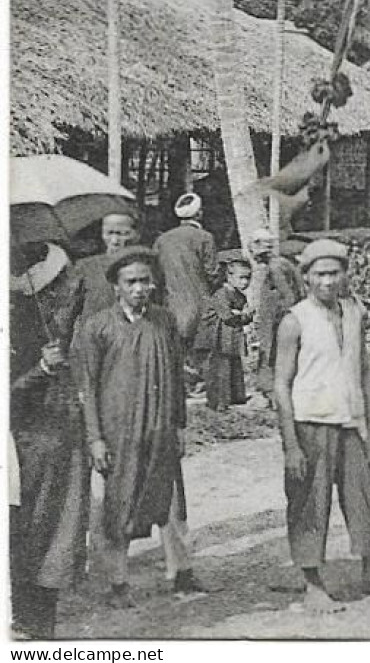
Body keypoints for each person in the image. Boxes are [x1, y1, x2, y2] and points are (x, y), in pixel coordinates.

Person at [71, 245, 202, 607]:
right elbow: (88, 387)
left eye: (145, 281)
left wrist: (179, 425)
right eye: (131, 282)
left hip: (160, 427)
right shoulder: (98, 327)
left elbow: (176, 378)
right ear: (116, 286)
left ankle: (182, 573)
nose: (140, 288)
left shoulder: (163, 321)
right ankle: (117, 582)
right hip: (119, 431)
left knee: (171, 502)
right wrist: (95, 438)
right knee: (118, 502)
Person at [274, 239, 370, 613]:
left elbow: (364, 372)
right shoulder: (294, 321)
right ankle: (313, 585)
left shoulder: (353, 312)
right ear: (307, 278)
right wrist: (290, 445)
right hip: (309, 424)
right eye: (320, 274)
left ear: (345, 275)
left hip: (350, 424)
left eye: (334, 273)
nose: (328, 281)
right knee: (309, 505)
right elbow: (281, 384)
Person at [10, 241, 89, 638]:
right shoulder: (17, 326)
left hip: (62, 441)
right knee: (30, 531)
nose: (71, 289)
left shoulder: (65, 323)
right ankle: (26, 620)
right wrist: (42, 366)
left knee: (58, 536)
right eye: (63, 282)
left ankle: (43, 626)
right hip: (25, 445)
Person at [153, 192, 217, 352]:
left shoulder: (162, 240)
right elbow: (213, 273)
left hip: (170, 305)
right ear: (199, 213)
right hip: (200, 304)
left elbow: (155, 274)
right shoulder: (205, 238)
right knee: (199, 355)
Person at [247, 228, 303, 398]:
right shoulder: (281, 263)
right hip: (279, 318)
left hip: (279, 321)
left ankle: (273, 393)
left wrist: (277, 321)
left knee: (272, 355)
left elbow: (289, 297)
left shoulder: (275, 268)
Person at [197, 254, 253, 410]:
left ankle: (236, 397)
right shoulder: (222, 294)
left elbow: (243, 316)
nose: (245, 282)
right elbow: (227, 316)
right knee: (221, 367)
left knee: (234, 364)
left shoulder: (240, 295)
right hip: (217, 336)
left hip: (231, 334)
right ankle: (220, 402)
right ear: (229, 276)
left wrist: (243, 315)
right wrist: (242, 315)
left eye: (248, 278)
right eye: (241, 278)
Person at [70, 211, 141, 320]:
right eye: (109, 233)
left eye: (122, 234)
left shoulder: (148, 267)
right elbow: (70, 309)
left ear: (136, 235)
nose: (114, 241)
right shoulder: (86, 267)